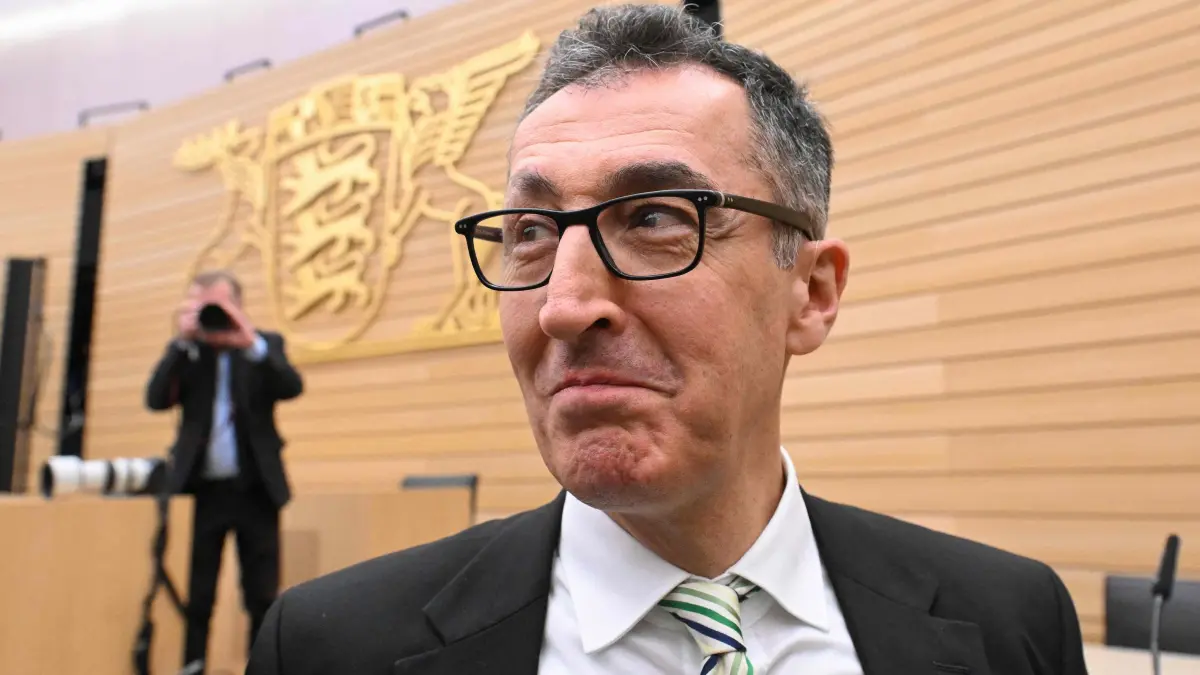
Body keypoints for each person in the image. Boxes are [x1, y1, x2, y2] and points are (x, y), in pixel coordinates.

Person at [246, 5, 1087, 675]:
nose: (563, 307)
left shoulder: (1012, 622)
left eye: (655, 217)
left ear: (812, 292)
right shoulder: (331, 647)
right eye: (532, 231)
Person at [145, 270, 303, 673]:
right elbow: (156, 398)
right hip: (200, 494)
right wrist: (181, 342)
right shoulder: (188, 353)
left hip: (255, 491)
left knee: (261, 594)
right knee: (197, 595)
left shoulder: (263, 345)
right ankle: (192, 666)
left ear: (238, 306)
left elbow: (291, 385)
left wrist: (249, 342)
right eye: (202, 306)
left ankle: (262, 667)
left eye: (218, 305)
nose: (211, 315)